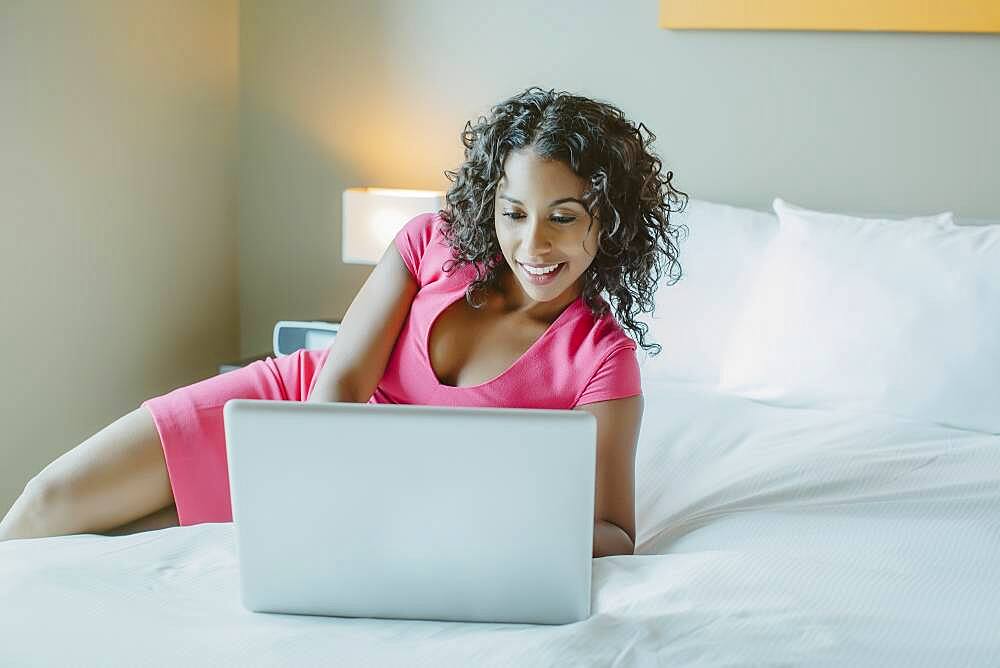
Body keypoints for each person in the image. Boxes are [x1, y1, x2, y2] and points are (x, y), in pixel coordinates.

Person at [0, 86, 687, 557]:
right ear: (492, 205)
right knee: (48, 504)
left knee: (130, 543)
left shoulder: (599, 357)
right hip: (291, 418)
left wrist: (488, 510)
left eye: (563, 217)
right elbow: (337, 386)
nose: (533, 246)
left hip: (394, 506)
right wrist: (307, 486)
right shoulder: (430, 243)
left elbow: (612, 533)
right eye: (514, 213)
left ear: (611, 220)